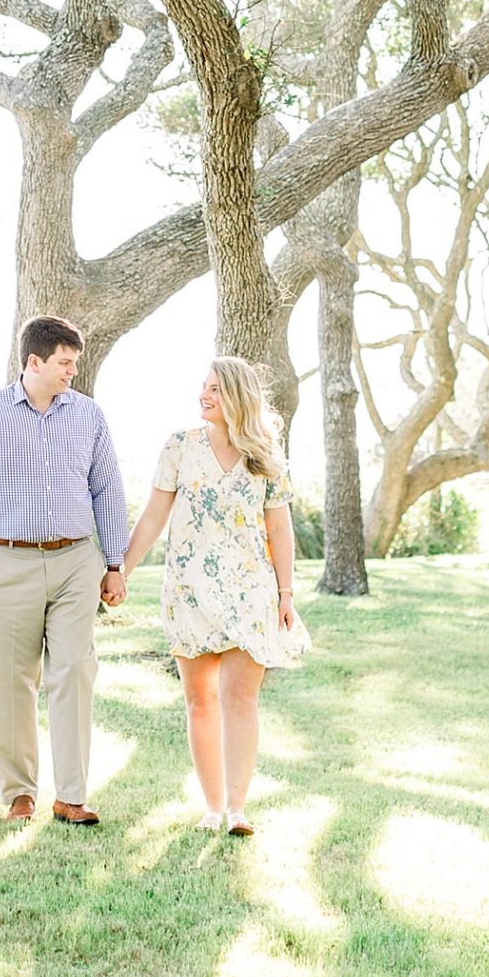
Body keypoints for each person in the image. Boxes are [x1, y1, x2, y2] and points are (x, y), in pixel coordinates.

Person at [0, 314, 130, 827]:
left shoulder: (89, 416)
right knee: (10, 682)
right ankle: (19, 795)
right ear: (34, 362)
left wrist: (113, 563)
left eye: (75, 363)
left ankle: (71, 796)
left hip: (76, 561)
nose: (73, 371)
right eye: (65, 363)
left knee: (74, 670)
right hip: (4, 562)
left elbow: (107, 489)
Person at [120, 356, 309, 835]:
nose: (203, 396)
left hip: (251, 590)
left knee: (240, 699)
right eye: (203, 388)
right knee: (200, 701)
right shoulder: (180, 447)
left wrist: (286, 594)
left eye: (214, 390)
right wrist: (119, 569)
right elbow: (153, 517)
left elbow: (279, 526)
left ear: (238, 397)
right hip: (189, 590)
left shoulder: (264, 454)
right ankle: (212, 807)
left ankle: (239, 809)